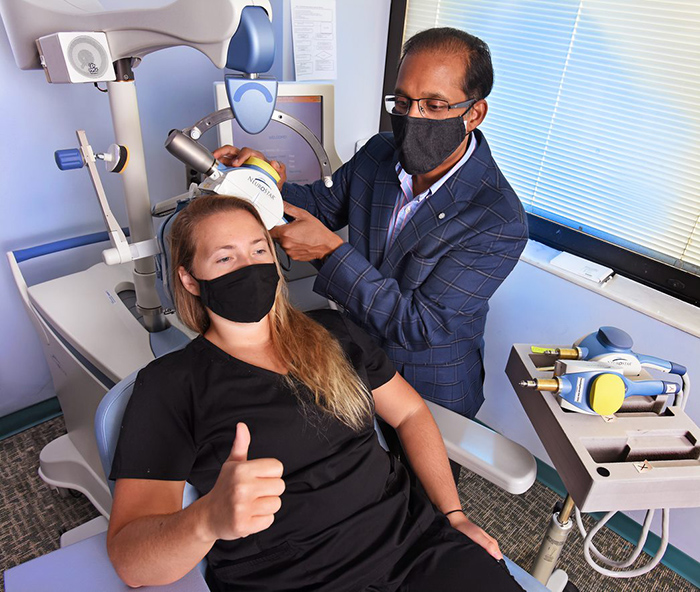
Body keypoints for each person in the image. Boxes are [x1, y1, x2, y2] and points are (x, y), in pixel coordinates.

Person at [106, 194, 523, 592]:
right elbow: (131, 561)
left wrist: (453, 515)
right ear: (189, 279)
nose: (248, 267)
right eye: (225, 257)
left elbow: (411, 414)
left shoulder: (333, 331)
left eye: (259, 250)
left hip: (418, 548)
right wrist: (206, 520)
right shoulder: (171, 385)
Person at [214, 28, 528, 420]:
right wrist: (264, 183)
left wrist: (330, 252)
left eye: (433, 104)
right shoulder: (381, 152)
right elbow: (321, 206)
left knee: (423, 479)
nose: (413, 118)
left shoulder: (497, 219)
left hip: (427, 385)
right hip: (356, 358)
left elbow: (420, 325)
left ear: (473, 113)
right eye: (402, 102)